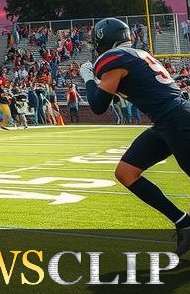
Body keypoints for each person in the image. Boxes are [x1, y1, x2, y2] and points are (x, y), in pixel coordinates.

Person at [80, 17, 190, 255]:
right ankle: (183, 222)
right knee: (126, 172)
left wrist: (88, 78)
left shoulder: (112, 59)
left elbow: (98, 106)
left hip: (177, 118)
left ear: (104, 40)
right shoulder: (135, 54)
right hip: (167, 120)